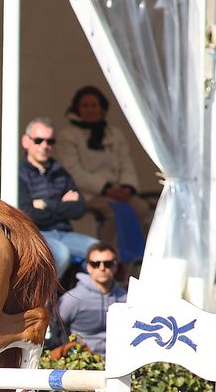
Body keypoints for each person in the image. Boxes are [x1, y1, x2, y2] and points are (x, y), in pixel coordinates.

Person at [52, 85, 148, 245]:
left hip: (118, 191)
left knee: (141, 208)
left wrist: (127, 187)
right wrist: (106, 188)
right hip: (89, 193)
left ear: (102, 108)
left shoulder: (114, 133)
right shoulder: (68, 135)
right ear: (77, 108)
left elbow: (126, 163)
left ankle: (133, 260)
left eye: (94, 105)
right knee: (114, 212)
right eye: (85, 106)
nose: (90, 110)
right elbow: (74, 172)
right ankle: (105, 254)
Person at [17, 117, 96, 278]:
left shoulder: (59, 170)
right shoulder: (18, 172)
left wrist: (46, 204)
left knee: (99, 251)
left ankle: (84, 299)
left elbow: (79, 208)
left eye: (50, 141)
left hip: (65, 233)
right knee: (62, 254)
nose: (45, 146)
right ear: (26, 141)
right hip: (37, 235)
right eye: (39, 140)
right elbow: (28, 214)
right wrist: (63, 206)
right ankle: (45, 301)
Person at [56, 242, 127, 356]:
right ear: (88, 267)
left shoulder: (126, 298)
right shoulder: (73, 298)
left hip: (120, 360)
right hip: (82, 362)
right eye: (96, 264)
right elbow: (55, 329)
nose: (102, 268)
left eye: (108, 264)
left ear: (115, 267)